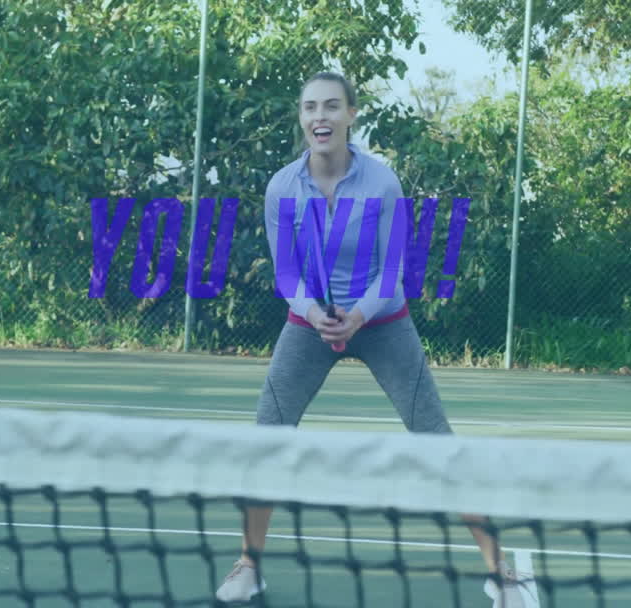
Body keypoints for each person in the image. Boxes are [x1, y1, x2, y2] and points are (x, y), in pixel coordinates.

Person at [214, 72, 531, 607]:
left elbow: (392, 273)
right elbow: (286, 274)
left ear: (351, 115)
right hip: (309, 325)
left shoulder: (382, 183)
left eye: (331, 106)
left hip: (383, 323)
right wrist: (316, 315)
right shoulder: (281, 188)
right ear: (301, 117)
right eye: (310, 107)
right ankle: (249, 565)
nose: (320, 117)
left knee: (436, 438)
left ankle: (500, 569)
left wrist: (357, 317)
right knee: (266, 437)